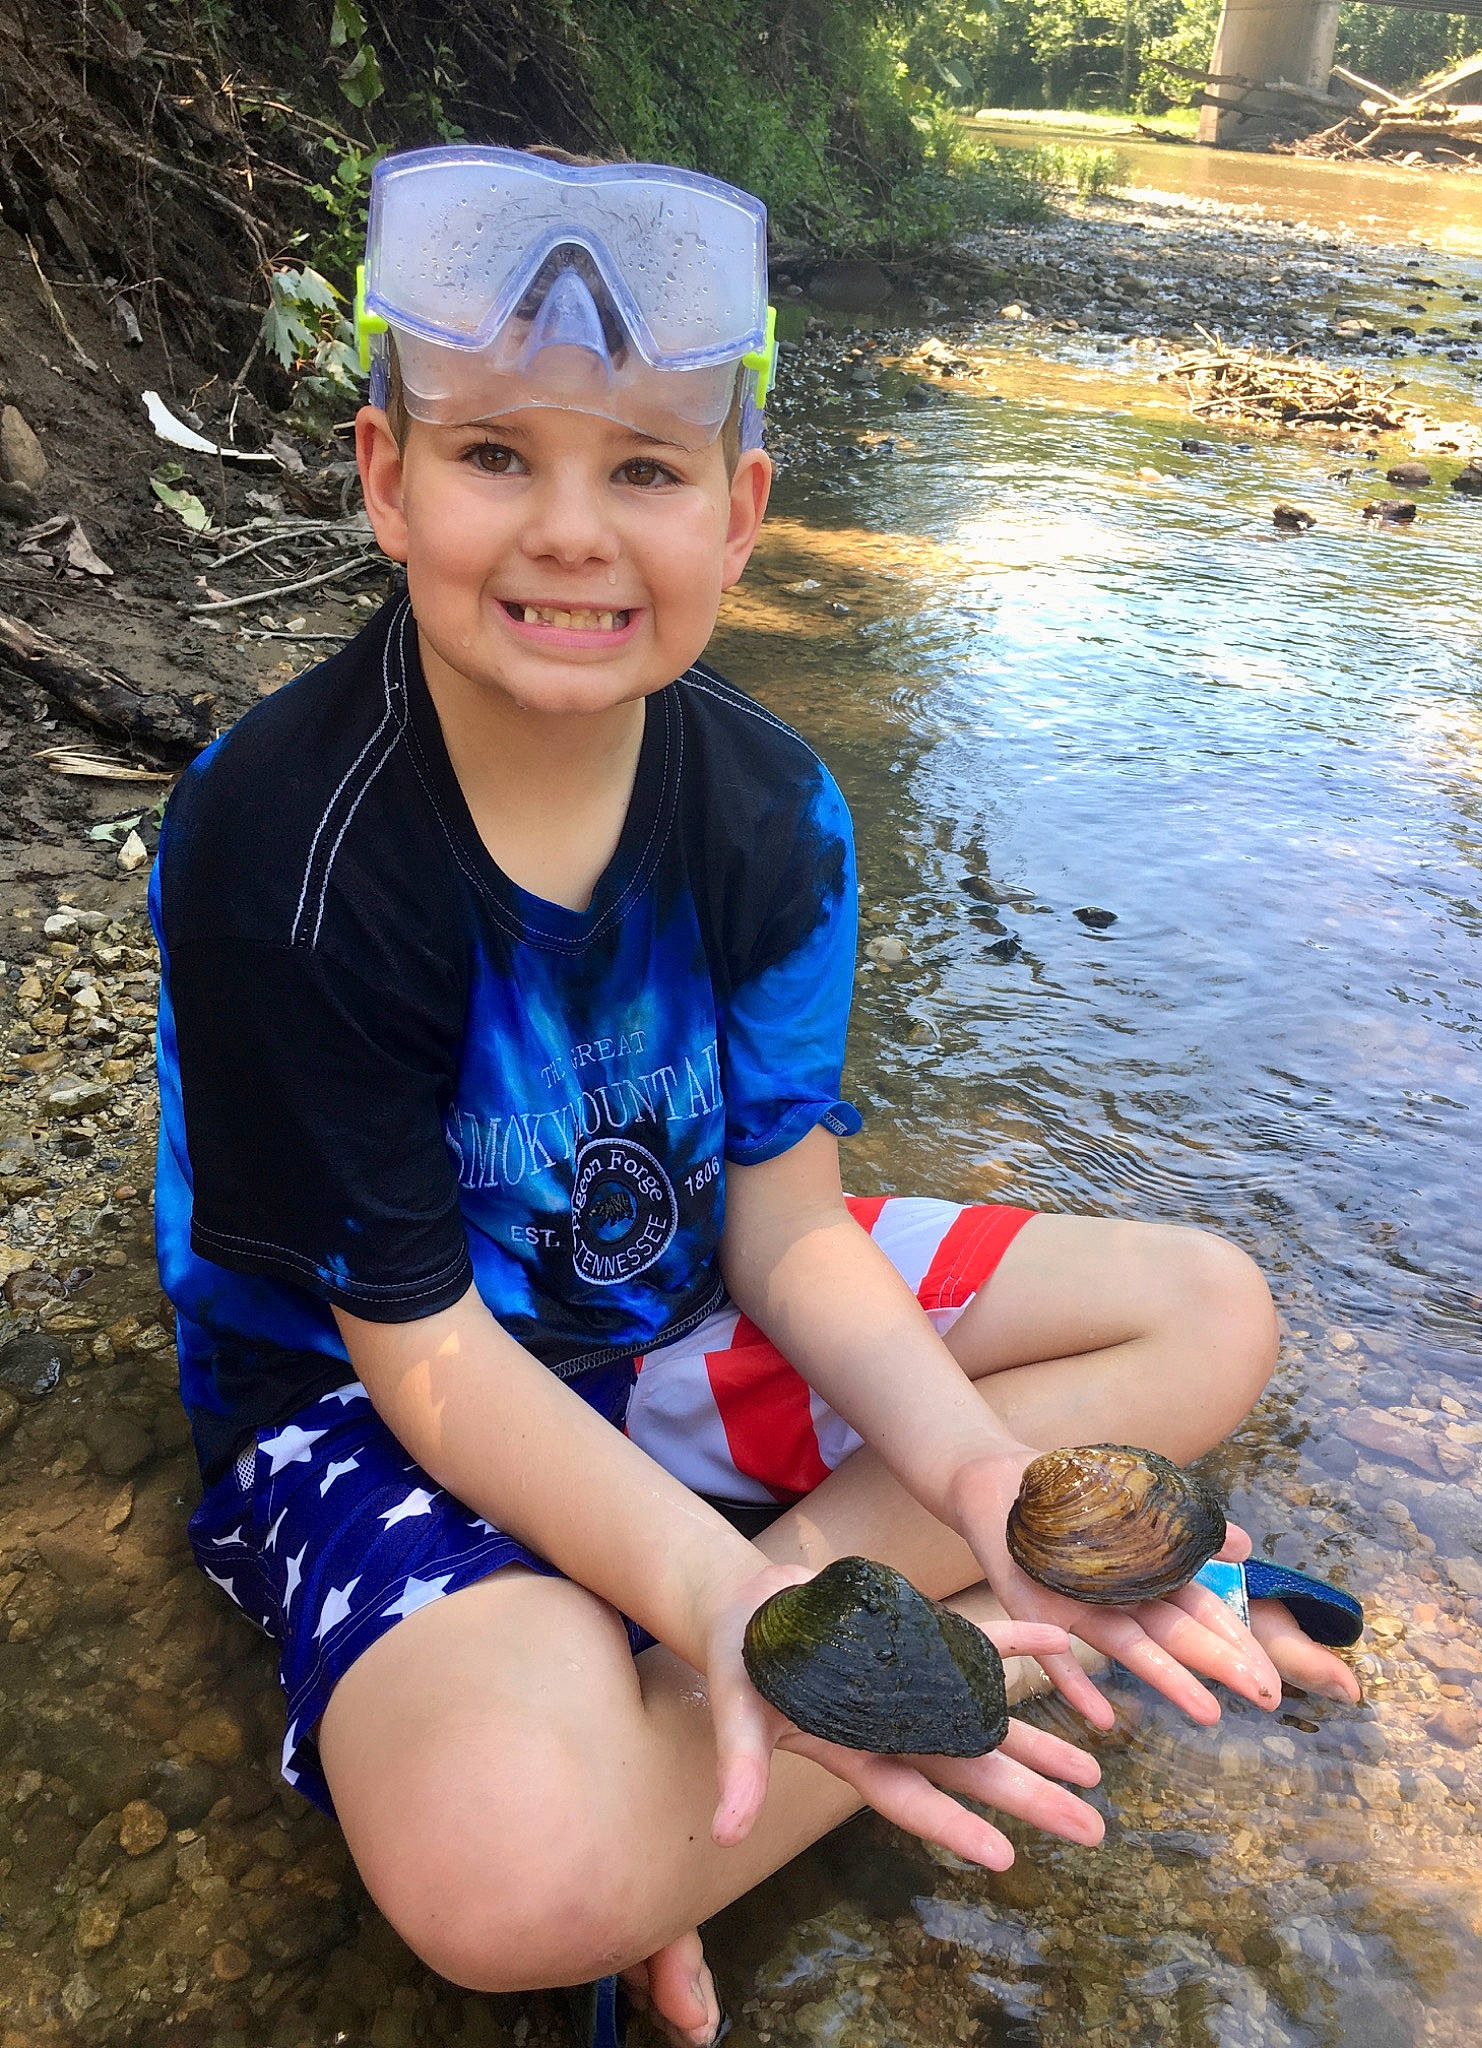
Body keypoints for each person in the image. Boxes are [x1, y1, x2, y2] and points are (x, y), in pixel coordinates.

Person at [151, 144, 1361, 2048]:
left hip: (680, 1314)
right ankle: (810, 1674)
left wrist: (976, 1481)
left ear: (741, 511)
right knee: (508, 1872)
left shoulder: (775, 812)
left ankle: (742, 1712)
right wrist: (734, 1604)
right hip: (370, 1394)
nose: (571, 530)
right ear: (385, 476)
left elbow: (784, 1227)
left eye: (644, 467)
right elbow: (424, 1360)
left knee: (1204, 1309)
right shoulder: (280, 854)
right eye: (495, 455)